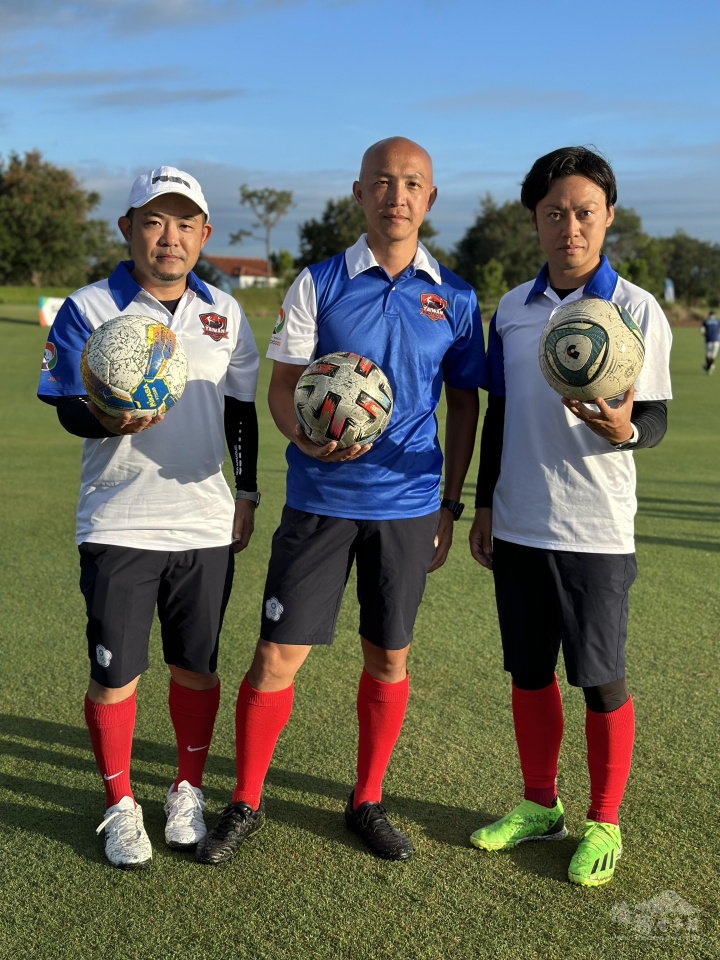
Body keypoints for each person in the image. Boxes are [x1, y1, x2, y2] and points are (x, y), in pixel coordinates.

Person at [196, 137, 487, 865]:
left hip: (410, 506)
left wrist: (448, 504)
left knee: (388, 659)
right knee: (274, 658)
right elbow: (281, 385)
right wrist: (308, 436)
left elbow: (462, 404)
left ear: (430, 200)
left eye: (412, 183)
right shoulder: (318, 283)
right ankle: (246, 800)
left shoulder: (453, 296)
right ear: (359, 194)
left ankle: (367, 798)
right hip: (321, 500)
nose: (396, 195)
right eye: (382, 183)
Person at [37, 167, 260, 869]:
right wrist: (102, 416)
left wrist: (247, 494)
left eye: (184, 223)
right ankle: (120, 803)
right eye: (155, 221)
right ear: (127, 228)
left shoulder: (224, 310)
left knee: (196, 668)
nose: (170, 236)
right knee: (116, 675)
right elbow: (66, 402)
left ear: (204, 235)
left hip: (203, 523)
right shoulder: (89, 305)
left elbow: (241, 412)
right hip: (118, 521)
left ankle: (186, 789)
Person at [467, 147, 672, 886]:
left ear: (608, 217)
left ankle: (604, 822)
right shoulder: (514, 310)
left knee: (601, 679)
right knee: (529, 674)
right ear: (535, 221)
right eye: (555, 213)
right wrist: (485, 503)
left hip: (596, 527)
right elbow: (498, 414)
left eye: (585, 212)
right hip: (520, 521)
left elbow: (652, 419)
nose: (570, 227)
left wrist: (625, 433)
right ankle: (538, 805)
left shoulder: (636, 309)